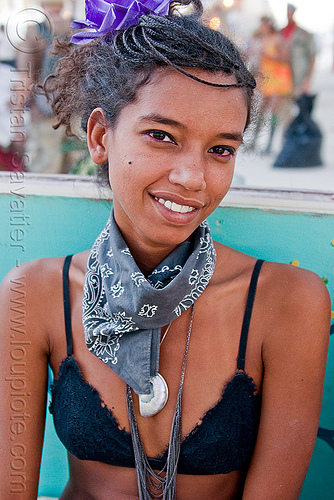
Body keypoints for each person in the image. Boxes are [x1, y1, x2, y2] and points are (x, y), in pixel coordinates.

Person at [0, 0, 331, 499]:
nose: (192, 178)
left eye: (221, 149)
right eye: (161, 136)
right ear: (99, 138)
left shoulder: (287, 303)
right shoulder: (35, 294)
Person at [15, 0, 72, 174]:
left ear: (43, 6)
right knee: (75, 176)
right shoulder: (76, 29)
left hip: (45, 114)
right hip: (73, 116)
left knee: (46, 176)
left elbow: (26, 78)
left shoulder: (35, 32)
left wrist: (17, 122)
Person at [248, 16, 292, 153]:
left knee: (273, 110)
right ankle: (254, 141)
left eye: (263, 25)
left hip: (278, 78)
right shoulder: (260, 39)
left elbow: (285, 59)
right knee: (262, 108)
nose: (261, 27)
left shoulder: (277, 39)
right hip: (266, 78)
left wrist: (268, 56)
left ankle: (269, 144)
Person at [281, 4, 317, 98]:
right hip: (283, 77)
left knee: (300, 105)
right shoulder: (281, 32)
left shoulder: (304, 34)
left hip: (299, 76)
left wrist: (308, 79)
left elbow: (312, 56)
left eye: (290, 11)